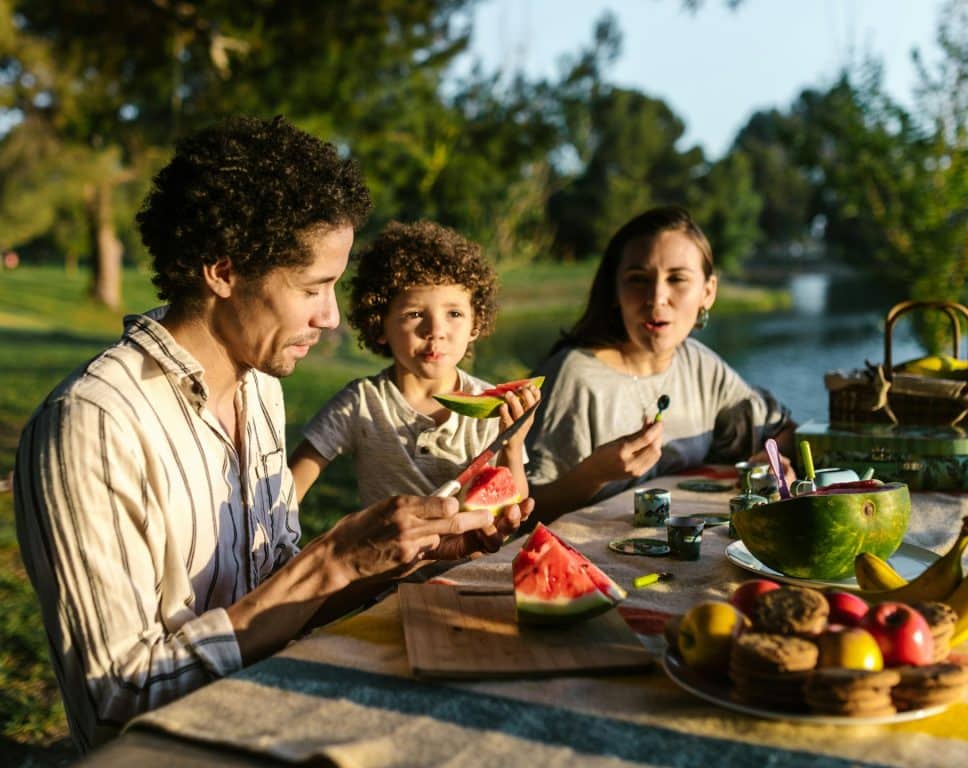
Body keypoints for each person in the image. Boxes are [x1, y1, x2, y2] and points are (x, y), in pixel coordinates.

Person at [13, 116, 532, 752]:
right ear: (224, 272)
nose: (333, 314)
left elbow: (275, 606)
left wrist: (403, 558)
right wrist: (330, 562)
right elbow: (114, 702)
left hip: (276, 727)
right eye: (314, 287)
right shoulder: (91, 427)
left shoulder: (260, 385)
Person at [526, 205, 795, 522]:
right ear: (615, 290)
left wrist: (775, 460)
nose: (656, 298)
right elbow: (521, 513)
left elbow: (779, 429)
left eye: (677, 279)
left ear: (708, 293)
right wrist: (594, 475)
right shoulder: (573, 376)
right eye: (638, 279)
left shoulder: (698, 364)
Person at [289, 220, 539, 506]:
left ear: (475, 325)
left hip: (471, 552)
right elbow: (291, 487)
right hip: (385, 551)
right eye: (415, 314)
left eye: (454, 314)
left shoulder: (491, 409)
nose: (436, 330)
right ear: (379, 325)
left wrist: (513, 444)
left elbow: (513, 503)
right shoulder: (360, 403)